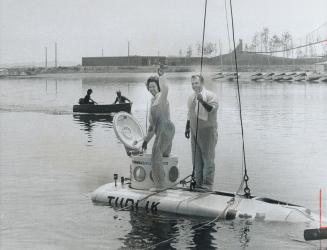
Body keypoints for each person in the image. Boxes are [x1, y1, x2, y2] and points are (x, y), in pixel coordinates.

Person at [142, 66, 175, 191]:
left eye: (153, 86)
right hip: (162, 130)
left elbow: (166, 89)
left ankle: (160, 186)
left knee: (155, 156)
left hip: (165, 129)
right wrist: (146, 141)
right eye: (149, 87)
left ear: (158, 87)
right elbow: (152, 127)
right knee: (164, 154)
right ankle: (167, 182)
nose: (151, 89)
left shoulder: (162, 96)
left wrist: (162, 76)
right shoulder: (152, 100)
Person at [185, 75, 218, 191]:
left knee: (208, 158)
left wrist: (202, 101)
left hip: (208, 131)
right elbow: (189, 113)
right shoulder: (191, 97)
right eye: (192, 83)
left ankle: (208, 185)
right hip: (194, 131)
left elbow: (212, 110)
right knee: (196, 159)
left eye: (196, 83)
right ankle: (198, 184)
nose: (194, 85)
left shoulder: (210, 95)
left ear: (202, 83)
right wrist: (187, 128)